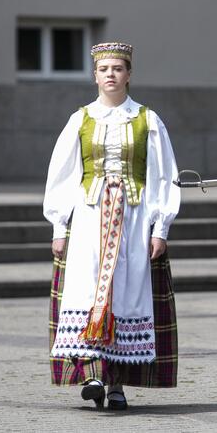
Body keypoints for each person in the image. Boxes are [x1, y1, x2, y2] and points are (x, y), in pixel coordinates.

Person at [44, 42, 181, 410]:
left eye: (118, 69)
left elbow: (164, 175)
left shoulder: (147, 120)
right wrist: (59, 226)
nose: (111, 75)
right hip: (89, 220)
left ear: (129, 74)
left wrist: (160, 228)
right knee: (88, 293)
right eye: (104, 69)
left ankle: (118, 384)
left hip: (133, 220)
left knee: (125, 294)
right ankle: (92, 374)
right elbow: (63, 173)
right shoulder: (82, 119)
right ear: (95, 75)